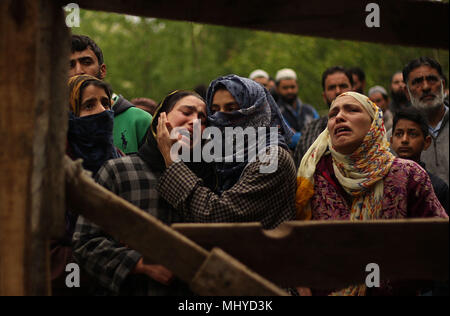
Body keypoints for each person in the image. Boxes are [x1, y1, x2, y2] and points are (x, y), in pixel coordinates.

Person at [295, 91, 447, 296]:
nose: (339, 117)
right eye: (333, 114)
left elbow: (439, 243)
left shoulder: (408, 174)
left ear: (374, 123)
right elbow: (298, 245)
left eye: (352, 110)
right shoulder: (312, 176)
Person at [72, 90, 215, 296]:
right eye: (187, 112)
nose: (194, 122)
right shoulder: (120, 172)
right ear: (160, 119)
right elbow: (85, 242)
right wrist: (139, 263)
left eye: (202, 119)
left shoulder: (207, 181)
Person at [155, 75, 296, 230]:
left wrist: (172, 161)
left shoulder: (272, 158)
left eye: (231, 109)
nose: (220, 117)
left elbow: (216, 216)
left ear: (255, 111)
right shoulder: (223, 156)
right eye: (214, 111)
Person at [51, 75, 121, 295]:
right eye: (89, 105)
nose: (102, 111)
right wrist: (117, 264)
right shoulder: (52, 172)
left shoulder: (121, 161)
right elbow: (47, 257)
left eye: (105, 103)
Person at [70, 34, 152, 154]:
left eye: (86, 62)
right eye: (69, 65)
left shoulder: (139, 121)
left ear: (102, 70)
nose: (79, 71)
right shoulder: (52, 123)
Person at [390, 109, 448, 214]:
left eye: (412, 134)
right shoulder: (383, 182)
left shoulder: (437, 187)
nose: (404, 139)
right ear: (391, 141)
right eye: (399, 134)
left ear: (426, 142)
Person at [293, 66, 353, 168]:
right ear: (324, 97)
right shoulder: (310, 129)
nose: (338, 91)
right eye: (332, 88)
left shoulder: (368, 125)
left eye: (343, 86)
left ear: (354, 91)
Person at [404, 56, 449, 185]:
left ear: (443, 85)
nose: (425, 87)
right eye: (417, 82)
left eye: (431, 79)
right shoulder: (396, 137)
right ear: (407, 92)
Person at [275, 68, 319, 150]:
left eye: (292, 87)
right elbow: (289, 139)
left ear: (297, 86)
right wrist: (311, 135)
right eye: (285, 88)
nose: (290, 91)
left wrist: (297, 135)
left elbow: (321, 133)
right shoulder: (275, 112)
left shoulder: (309, 110)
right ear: (277, 89)